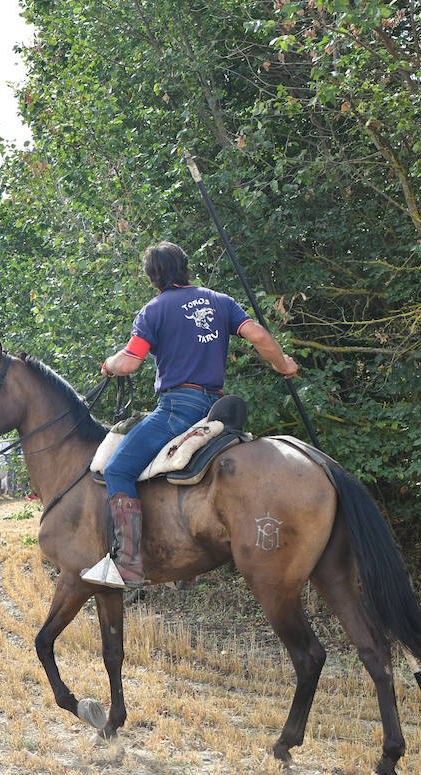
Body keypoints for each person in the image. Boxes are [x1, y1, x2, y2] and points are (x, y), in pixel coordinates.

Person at [98, 241, 299, 588]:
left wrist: (108, 366)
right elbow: (258, 335)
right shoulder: (220, 301)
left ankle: (128, 564)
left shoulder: (154, 310)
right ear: (185, 268)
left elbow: (130, 362)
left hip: (178, 409)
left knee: (118, 469)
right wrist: (284, 364)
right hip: (215, 411)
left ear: (152, 277)